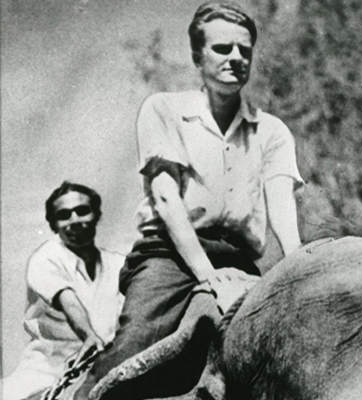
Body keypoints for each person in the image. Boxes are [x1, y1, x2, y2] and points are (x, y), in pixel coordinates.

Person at [75, 2, 303, 399]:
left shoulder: (271, 131)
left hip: (237, 258)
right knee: (130, 354)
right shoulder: (165, 110)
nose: (235, 58)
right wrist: (205, 274)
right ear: (198, 57)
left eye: (244, 50)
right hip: (170, 256)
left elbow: (283, 211)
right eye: (222, 49)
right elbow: (166, 199)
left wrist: (300, 270)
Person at [2, 182, 125, 400]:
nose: (75, 220)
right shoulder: (46, 258)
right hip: (47, 372)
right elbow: (67, 298)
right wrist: (89, 335)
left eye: (83, 211)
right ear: (53, 225)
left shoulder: (118, 264)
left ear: (97, 215)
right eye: (64, 215)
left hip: (104, 365)